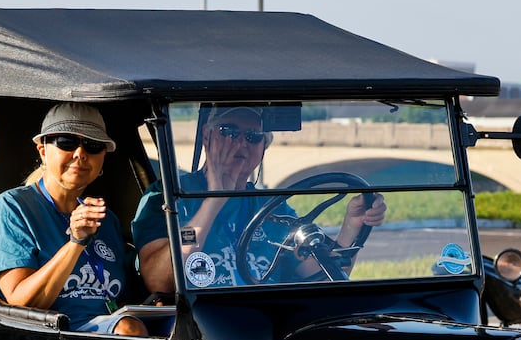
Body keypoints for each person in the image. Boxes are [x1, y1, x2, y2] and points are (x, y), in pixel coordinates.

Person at [132, 106, 386, 291]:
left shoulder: (272, 207)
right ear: (207, 138)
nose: (240, 143)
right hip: (203, 326)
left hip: (264, 325)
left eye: (253, 137)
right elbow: (158, 281)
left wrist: (352, 226)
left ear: (263, 149)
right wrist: (213, 201)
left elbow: (323, 278)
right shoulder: (166, 196)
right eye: (228, 131)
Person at [0, 103, 145, 335]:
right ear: (42, 151)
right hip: (54, 337)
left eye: (92, 146)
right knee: (130, 329)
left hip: (109, 328)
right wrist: (76, 243)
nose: (80, 153)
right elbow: (21, 305)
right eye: (66, 143)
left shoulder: (105, 218)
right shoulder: (13, 206)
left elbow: (115, 297)